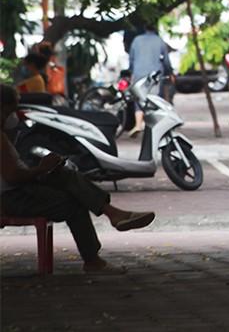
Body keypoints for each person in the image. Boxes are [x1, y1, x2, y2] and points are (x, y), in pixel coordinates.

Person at [1, 84, 156, 274]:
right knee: (73, 204)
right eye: (12, 109)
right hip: (12, 198)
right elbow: (12, 176)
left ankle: (113, 213)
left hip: (17, 191)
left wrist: (43, 169)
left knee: (65, 175)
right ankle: (94, 258)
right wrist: (40, 169)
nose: (14, 115)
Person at [127, 23, 174, 137]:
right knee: (155, 98)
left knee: (139, 98)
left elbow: (131, 58)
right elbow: (166, 61)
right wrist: (170, 72)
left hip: (139, 73)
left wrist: (132, 72)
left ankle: (138, 124)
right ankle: (157, 125)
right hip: (155, 74)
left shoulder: (137, 40)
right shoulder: (159, 41)